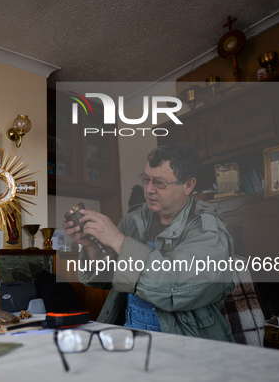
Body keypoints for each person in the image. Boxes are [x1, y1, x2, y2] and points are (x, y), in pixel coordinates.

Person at [64, 144, 235, 342]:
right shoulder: (134, 220)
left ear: (188, 185)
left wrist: (117, 240)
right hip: (131, 336)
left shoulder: (207, 229)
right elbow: (108, 275)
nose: (148, 190)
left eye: (160, 183)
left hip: (186, 343)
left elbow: (176, 285)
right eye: (147, 180)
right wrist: (91, 244)